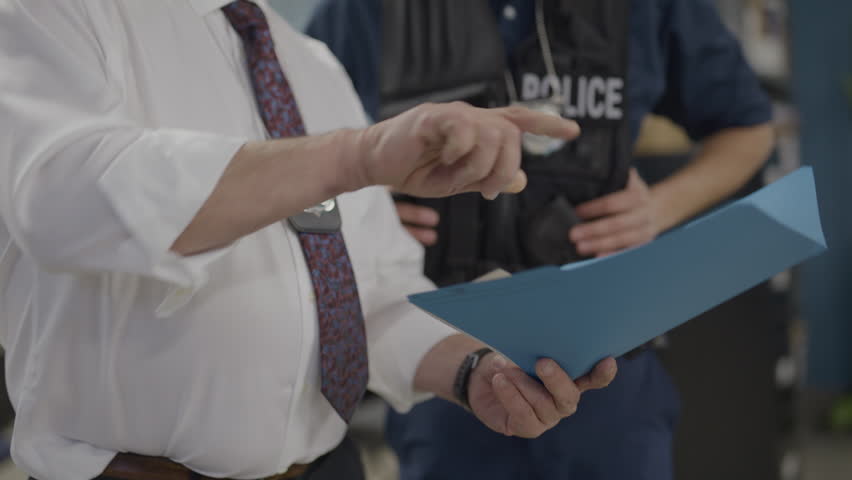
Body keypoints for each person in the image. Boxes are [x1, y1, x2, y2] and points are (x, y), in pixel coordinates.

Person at [0, 1, 620, 479]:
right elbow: (64, 198)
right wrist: (351, 158)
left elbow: (371, 293)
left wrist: (476, 370)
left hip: (327, 467)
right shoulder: (58, 12)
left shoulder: (311, 65)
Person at [307, 0, 775, 479]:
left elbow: (750, 127)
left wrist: (659, 208)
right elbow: (301, 154)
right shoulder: (363, 10)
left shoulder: (649, 8)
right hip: (445, 369)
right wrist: (366, 211)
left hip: (606, 367)